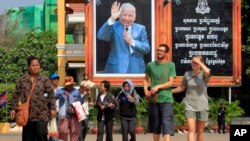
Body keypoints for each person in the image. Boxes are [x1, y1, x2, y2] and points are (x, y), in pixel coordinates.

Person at [10, 56, 57, 141]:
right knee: (28, 137)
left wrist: (53, 108)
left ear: (40, 66)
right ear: (29, 67)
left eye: (37, 65)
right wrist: (13, 108)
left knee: (41, 134)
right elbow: (16, 94)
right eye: (33, 65)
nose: (35, 67)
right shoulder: (22, 80)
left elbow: (51, 94)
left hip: (42, 113)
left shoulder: (44, 79)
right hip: (26, 114)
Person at [97, 1, 150, 73]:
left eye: (130, 15)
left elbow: (146, 48)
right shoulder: (113, 25)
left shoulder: (141, 28)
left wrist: (132, 42)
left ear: (134, 17)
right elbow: (101, 36)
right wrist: (112, 18)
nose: (127, 18)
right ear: (119, 15)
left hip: (136, 69)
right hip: (116, 68)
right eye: (124, 15)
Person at [172, 55, 211, 141]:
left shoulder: (203, 74)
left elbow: (208, 71)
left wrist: (199, 62)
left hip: (202, 105)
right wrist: (169, 91)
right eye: (192, 62)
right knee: (191, 129)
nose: (193, 64)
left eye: (196, 62)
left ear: (201, 63)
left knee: (200, 131)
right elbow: (182, 87)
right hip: (190, 105)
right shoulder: (187, 74)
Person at [143, 44, 176, 141]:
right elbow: (145, 79)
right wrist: (145, 89)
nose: (159, 52)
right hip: (154, 99)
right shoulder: (150, 65)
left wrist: (158, 86)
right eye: (158, 50)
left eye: (161, 51)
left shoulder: (171, 65)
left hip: (167, 99)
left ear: (166, 53)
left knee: (166, 124)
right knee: (155, 126)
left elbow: (171, 82)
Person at [55, 76, 81, 141]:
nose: (70, 86)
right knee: (62, 130)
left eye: (71, 84)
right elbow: (54, 97)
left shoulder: (76, 91)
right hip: (64, 115)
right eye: (68, 84)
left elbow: (80, 101)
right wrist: (60, 94)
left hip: (74, 115)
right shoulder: (60, 91)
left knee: (75, 132)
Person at [48, 73, 61, 141]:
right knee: (51, 131)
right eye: (54, 79)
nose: (56, 80)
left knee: (56, 132)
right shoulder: (47, 90)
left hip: (60, 113)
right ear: (50, 80)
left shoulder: (61, 90)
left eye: (57, 79)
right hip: (51, 113)